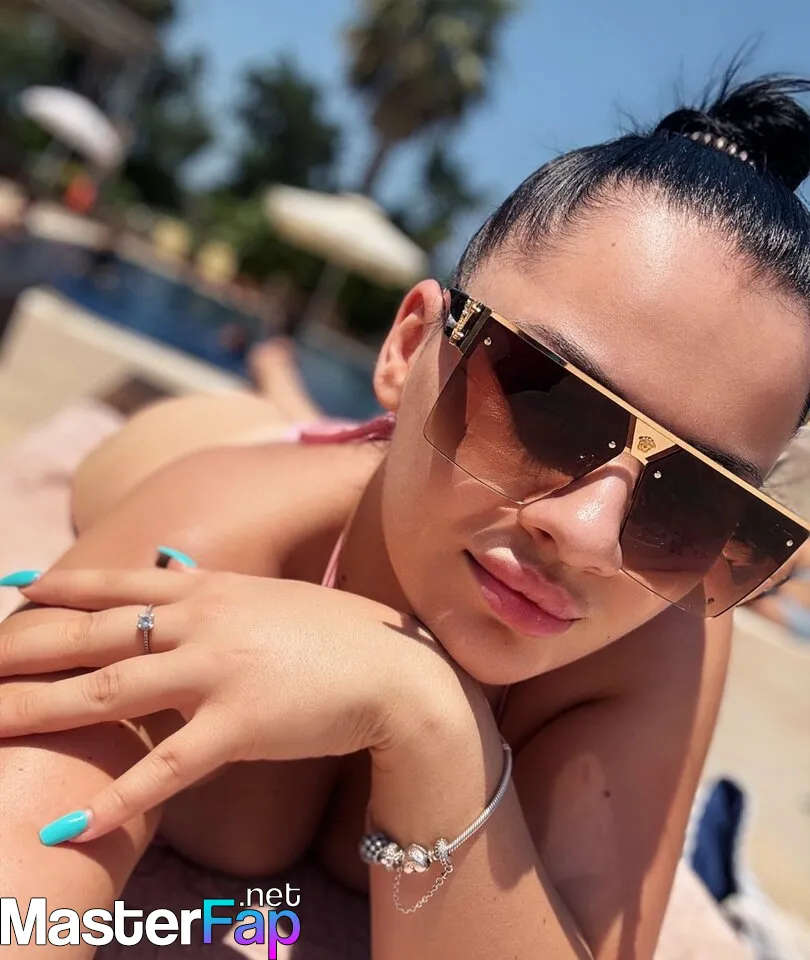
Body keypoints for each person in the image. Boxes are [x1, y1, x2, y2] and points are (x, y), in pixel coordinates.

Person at [1, 70, 809, 960]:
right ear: (409, 344)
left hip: (386, 472)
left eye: (698, 496)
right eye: (543, 401)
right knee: (275, 427)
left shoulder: (667, 618)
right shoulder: (214, 531)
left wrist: (425, 719)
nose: (589, 535)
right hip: (211, 442)